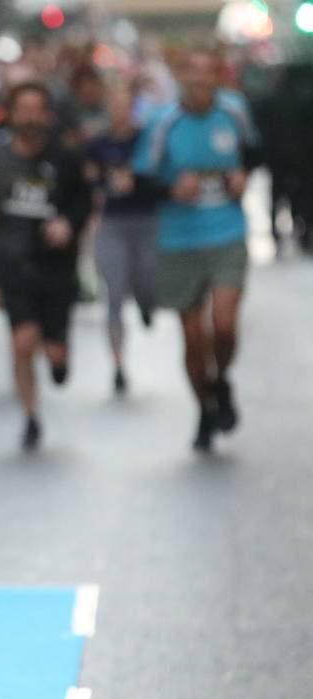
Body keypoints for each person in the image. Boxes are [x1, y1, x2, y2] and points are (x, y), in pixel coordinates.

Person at [132, 48, 260, 451]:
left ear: (217, 77)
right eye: (194, 74)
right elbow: (140, 182)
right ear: (182, 76)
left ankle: (221, 379)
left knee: (223, 324)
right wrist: (172, 189)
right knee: (192, 337)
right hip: (179, 238)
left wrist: (242, 174)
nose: (202, 82)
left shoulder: (235, 111)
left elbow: (254, 152)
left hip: (226, 231)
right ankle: (203, 406)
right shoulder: (162, 122)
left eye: (209, 74)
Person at [0, 82, 92, 450]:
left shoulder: (65, 157)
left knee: (52, 350)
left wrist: (67, 223)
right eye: (23, 109)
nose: (31, 117)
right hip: (12, 260)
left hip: (56, 266)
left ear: (48, 115)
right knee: (22, 341)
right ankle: (31, 415)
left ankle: (59, 355)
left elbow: (83, 202)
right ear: (10, 113)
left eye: (38, 109)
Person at [86, 82, 158, 395]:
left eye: (125, 104)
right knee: (113, 294)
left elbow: (159, 177)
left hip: (146, 221)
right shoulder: (98, 144)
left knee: (146, 281)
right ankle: (118, 364)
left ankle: (146, 303)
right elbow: (89, 181)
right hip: (113, 223)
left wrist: (138, 183)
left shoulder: (147, 141)